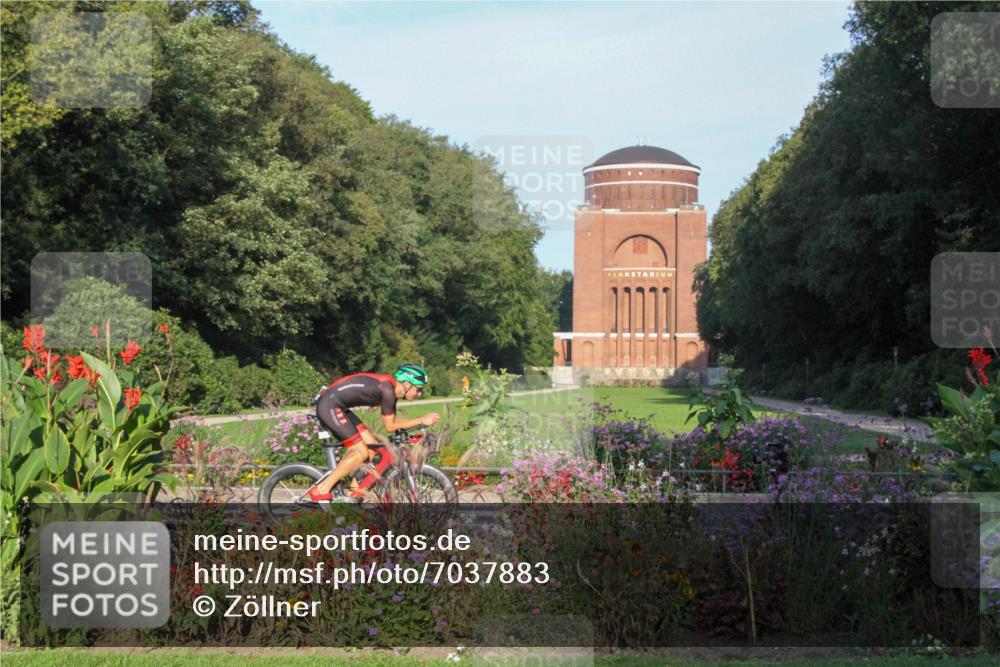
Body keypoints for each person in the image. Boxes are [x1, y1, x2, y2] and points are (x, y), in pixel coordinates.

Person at [306, 363, 439, 502]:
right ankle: (322, 489)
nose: (420, 393)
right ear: (406, 383)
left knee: (372, 446)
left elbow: (392, 420)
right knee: (360, 452)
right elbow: (390, 426)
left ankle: (354, 493)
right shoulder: (387, 390)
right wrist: (422, 419)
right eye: (418, 389)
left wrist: (418, 422)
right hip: (330, 405)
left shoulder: (391, 390)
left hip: (338, 405)